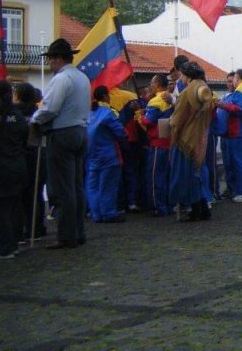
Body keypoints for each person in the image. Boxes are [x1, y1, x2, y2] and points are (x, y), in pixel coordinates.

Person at [31, 38, 91, 250]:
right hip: (81, 131)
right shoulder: (82, 77)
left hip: (63, 132)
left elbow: (49, 108)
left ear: (57, 59)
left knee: (62, 188)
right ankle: (78, 231)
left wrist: (34, 120)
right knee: (76, 185)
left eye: (50, 59)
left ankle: (67, 235)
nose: (49, 63)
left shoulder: (61, 79)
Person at [168, 62, 214, 221]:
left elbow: (177, 118)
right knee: (197, 173)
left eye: (182, 75)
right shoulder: (204, 88)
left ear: (187, 75)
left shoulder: (187, 92)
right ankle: (203, 207)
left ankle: (195, 209)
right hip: (200, 137)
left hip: (185, 139)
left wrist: (171, 125)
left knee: (186, 175)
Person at [0, 80, 28, 259]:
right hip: (18, 164)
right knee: (15, 204)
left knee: (2, 208)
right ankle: (15, 241)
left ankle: (5, 246)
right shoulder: (17, 114)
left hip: (0, 167)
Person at [85, 86, 127, 223]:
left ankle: (96, 213)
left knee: (93, 186)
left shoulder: (88, 114)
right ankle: (108, 213)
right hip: (109, 154)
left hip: (91, 156)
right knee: (108, 185)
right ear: (105, 96)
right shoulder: (108, 112)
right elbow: (121, 132)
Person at [217, 68, 242, 203]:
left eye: (233, 78)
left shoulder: (241, 89)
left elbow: (240, 109)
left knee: (240, 161)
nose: (232, 81)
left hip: (241, 130)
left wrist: (223, 105)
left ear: (238, 78)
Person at [13, 82, 47, 243]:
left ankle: (20, 230)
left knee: (19, 197)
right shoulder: (37, 113)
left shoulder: (14, 115)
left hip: (20, 157)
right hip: (37, 156)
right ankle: (36, 228)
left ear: (18, 96)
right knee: (36, 194)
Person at [137, 74, 173, 217]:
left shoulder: (156, 101)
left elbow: (149, 122)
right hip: (169, 140)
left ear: (157, 84)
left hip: (157, 142)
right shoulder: (171, 98)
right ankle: (168, 205)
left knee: (154, 176)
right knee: (166, 175)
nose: (151, 86)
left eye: (152, 83)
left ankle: (158, 207)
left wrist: (140, 116)